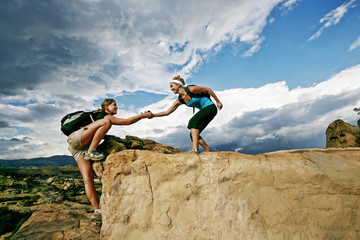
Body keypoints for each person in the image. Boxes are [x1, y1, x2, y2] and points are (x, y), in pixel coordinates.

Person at [66, 99, 152, 220]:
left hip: (76, 146)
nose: (117, 107)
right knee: (107, 123)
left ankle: (97, 210)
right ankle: (91, 151)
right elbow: (126, 122)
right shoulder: (104, 116)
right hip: (77, 138)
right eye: (114, 105)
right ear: (106, 107)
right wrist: (143, 115)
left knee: (88, 179)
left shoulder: (97, 116)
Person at [151, 75, 223, 153]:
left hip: (210, 107)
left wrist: (218, 101)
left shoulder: (191, 89)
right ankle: (208, 150)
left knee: (192, 122)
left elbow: (208, 89)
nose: (171, 88)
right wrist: (152, 115)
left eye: (172, 86)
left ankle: (195, 150)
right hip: (206, 111)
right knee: (193, 134)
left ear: (178, 85)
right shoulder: (180, 100)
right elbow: (167, 112)